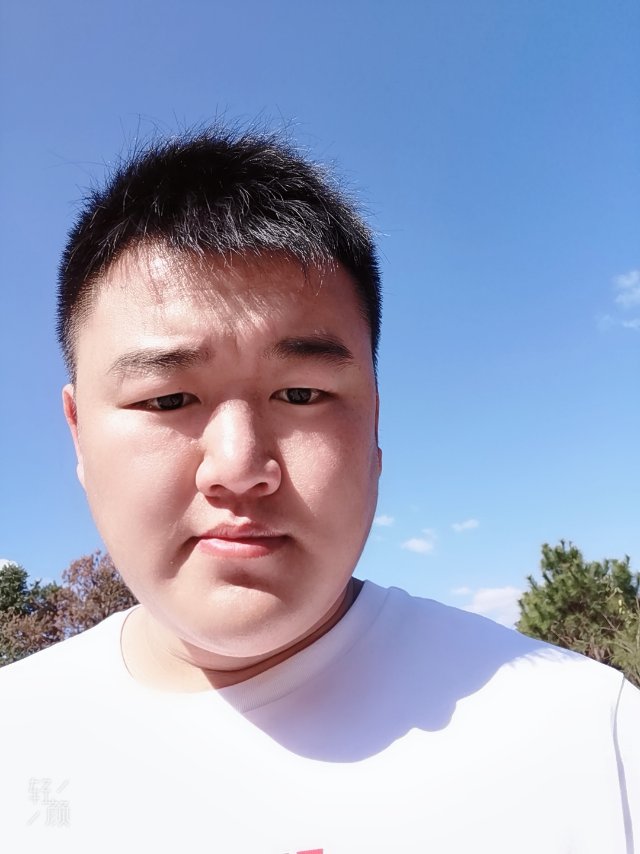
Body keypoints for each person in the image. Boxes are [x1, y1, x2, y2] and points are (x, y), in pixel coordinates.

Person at [1, 127, 638, 853]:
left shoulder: (589, 742)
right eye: (169, 399)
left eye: (301, 394)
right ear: (79, 434)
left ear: (375, 424)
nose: (239, 466)